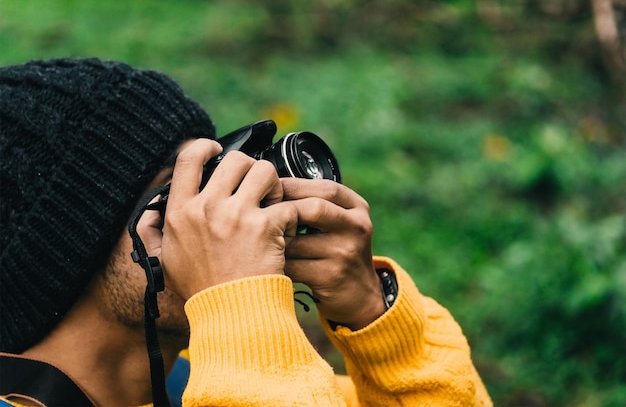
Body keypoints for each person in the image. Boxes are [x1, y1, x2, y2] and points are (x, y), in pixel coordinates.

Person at [0, 58, 492, 407]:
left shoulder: (208, 380)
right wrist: (240, 313)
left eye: (216, 169)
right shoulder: (250, 378)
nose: (232, 211)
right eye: (179, 194)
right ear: (62, 258)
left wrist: (376, 323)